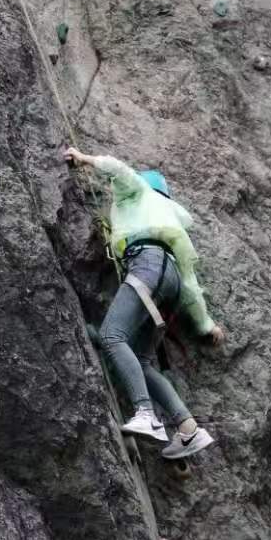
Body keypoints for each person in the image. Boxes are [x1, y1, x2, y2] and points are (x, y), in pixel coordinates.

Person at [64, 145, 224, 460]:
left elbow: (121, 171)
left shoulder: (136, 193)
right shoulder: (171, 221)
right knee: (142, 357)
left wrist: (85, 159)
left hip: (146, 266)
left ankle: (145, 414)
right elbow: (191, 285)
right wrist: (206, 325)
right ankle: (188, 428)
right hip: (171, 282)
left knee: (113, 336)